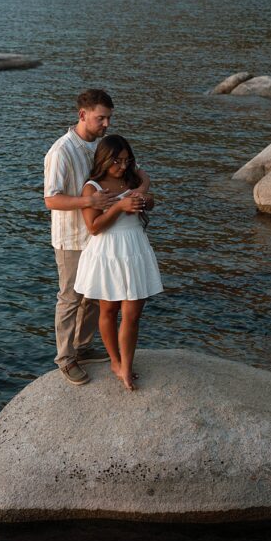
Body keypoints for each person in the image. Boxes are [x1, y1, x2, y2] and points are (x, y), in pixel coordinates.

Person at [44, 91, 150, 386]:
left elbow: (136, 174)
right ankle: (65, 359)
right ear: (82, 115)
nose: (107, 124)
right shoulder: (61, 151)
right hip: (73, 237)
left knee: (93, 297)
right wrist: (91, 201)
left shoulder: (101, 147)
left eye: (109, 118)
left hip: (104, 238)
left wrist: (140, 191)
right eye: (101, 118)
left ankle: (83, 347)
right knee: (70, 298)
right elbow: (50, 200)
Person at [75, 135, 162, 391]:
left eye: (127, 160)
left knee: (132, 314)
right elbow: (93, 228)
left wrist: (146, 200)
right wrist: (118, 207)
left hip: (135, 247)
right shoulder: (92, 187)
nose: (123, 166)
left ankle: (127, 365)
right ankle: (116, 361)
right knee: (109, 310)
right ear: (104, 159)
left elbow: (147, 192)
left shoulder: (131, 177)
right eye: (117, 161)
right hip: (108, 251)